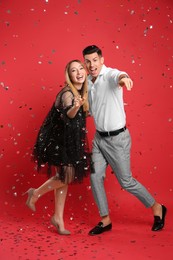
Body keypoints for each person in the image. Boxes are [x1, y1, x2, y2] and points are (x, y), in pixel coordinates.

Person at [82, 45, 167, 236]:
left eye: (95, 60)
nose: (91, 64)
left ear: (101, 60)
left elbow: (119, 76)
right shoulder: (88, 81)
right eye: (87, 61)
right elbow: (92, 109)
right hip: (98, 139)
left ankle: (157, 208)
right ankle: (105, 220)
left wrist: (124, 79)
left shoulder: (111, 75)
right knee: (95, 177)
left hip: (117, 139)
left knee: (126, 181)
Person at [24, 60, 91, 235]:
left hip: (69, 139)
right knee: (66, 176)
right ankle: (36, 193)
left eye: (80, 69)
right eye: (73, 70)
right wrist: (76, 107)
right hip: (58, 140)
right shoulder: (68, 93)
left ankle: (58, 218)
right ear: (69, 76)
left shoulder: (81, 91)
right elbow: (69, 113)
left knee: (64, 177)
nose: (79, 73)